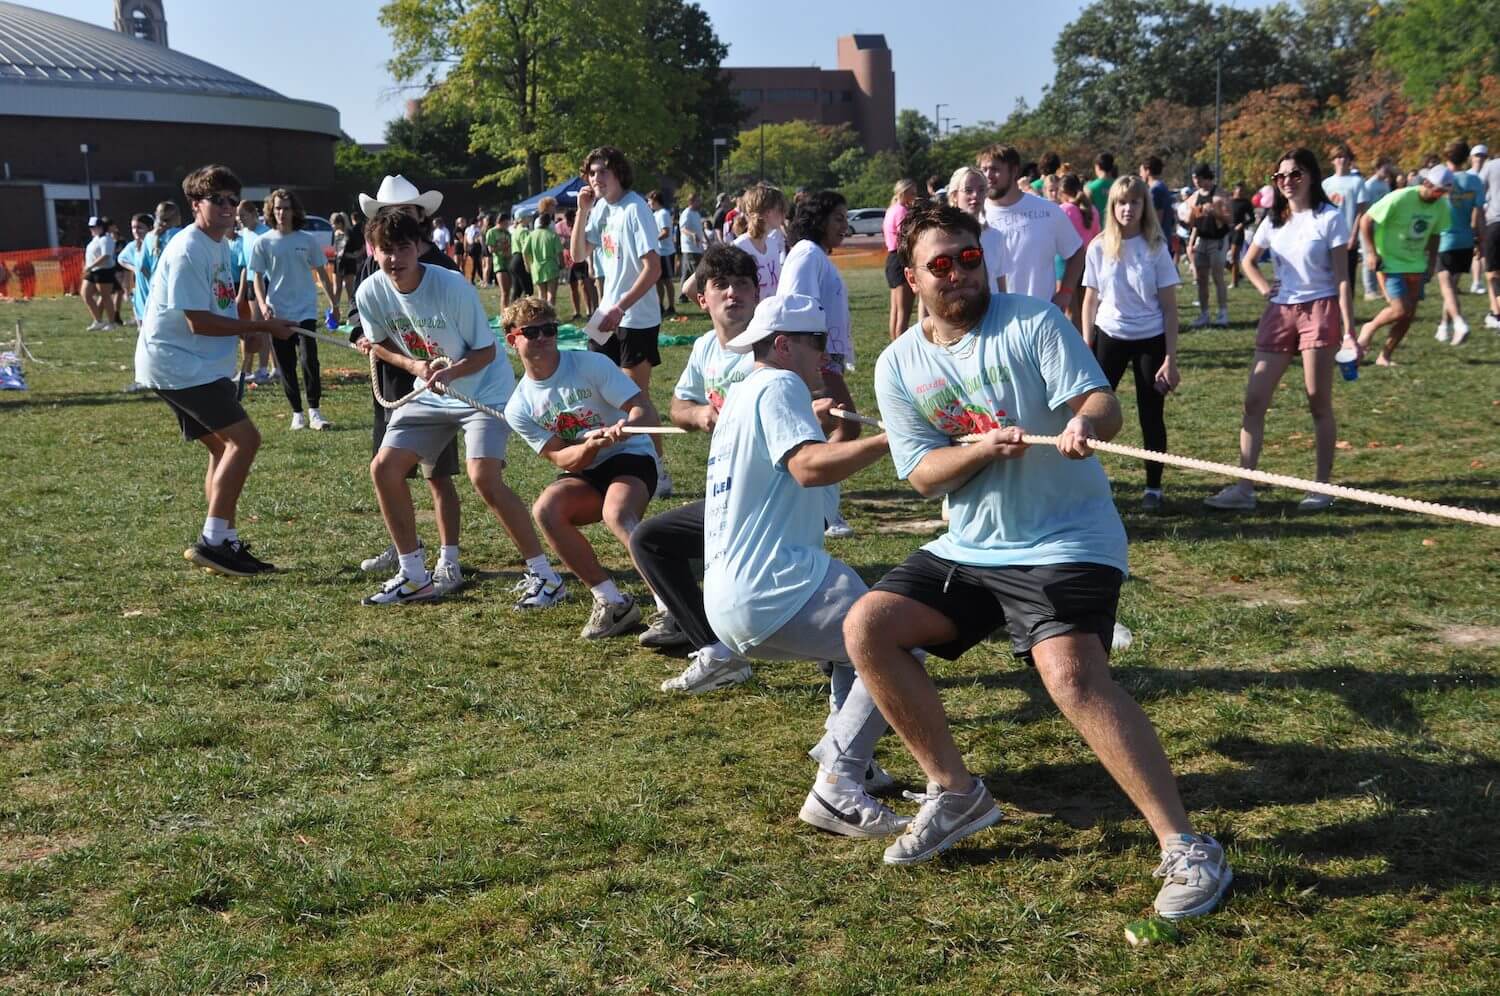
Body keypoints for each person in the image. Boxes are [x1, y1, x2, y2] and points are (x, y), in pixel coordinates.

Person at [843, 203, 1231, 921]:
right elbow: (923, 474)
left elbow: (1101, 402)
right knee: (869, 624)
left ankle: (1187, 846)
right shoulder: (898, 363)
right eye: (941, 264)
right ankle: (954, 793)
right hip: (969, 544)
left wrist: (1083, 421)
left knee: (1072, 676)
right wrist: (980, 451)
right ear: (909, 275)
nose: (960, 273)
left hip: (1067, 538)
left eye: (969, 258)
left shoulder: (1031, 321)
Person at [702, 292, 904, 837]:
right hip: (772, 587)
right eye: (821, 346)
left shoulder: (748, 392)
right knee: (891, 639)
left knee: (857, 634)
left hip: (729, 598)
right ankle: (837, 787)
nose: (827, 361)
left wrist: (811, 418)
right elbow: (809, 468)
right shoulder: (780, 385)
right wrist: (897, 439)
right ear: (786, 344)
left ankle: (850, 760)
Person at [355, 210, 562, 607]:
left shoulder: (452, 286)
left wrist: (451, 373)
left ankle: (546, 576)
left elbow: (486, 351)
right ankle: (414, 575)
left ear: (419, 248)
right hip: (429, 391)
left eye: (403, 248)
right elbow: (378, 343)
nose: (395, 258)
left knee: (483, 477)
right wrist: (415, 366)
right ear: (373, 251)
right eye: (386, 250)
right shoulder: (370, 292)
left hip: (483, 389)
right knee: (384, 468)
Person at [133, 164, 301, 576]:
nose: (228, 208)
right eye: (218, 200)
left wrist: (252, 323)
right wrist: (258, 327)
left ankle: (222, 539)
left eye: (233, 200)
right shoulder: (189, 248)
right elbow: (198, 321)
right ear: (196, 205)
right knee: (244, 441)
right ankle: (212, 540)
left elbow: (224, 303)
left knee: (221, 447)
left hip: (199, 365)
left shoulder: (220, 244)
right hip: (179, 365)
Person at [631, 243, 761, 687]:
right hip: (727, 493)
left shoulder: (776, 341)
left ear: (757, 293)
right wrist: (701, 414)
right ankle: (715, 650)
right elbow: (678, 405)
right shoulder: (706, 347)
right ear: (702, 298)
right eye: (721, 285)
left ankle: (843, 654)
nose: (733, 294)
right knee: (650, 540)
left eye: (743, 284)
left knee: (749, 585)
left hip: (775, 495)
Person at [504, 296, 662, 638]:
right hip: (586, 468)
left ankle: (670, 605)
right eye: (533, 332)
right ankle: (611, 602)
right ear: (512, 339)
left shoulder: (590, 365)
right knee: (546, 509)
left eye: (550, 329)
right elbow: (559, 457)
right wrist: (590, 446)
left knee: (616, 513)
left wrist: (626, 427)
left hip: (631, 454)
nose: (544, 337)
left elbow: (643, 409)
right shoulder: (518, 405)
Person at [1205, 148, 1352, 512]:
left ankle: (1321, 485)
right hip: (1279, 312)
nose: (1287, 181)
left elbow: (1344, 279)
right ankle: (1244, 487)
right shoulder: (1273, 221)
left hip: (1320, 308)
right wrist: (1261, 287)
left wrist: (1349, 331)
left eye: (1295, 174)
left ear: (1312, 176)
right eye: (1280, 176)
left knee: (1318, 400)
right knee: (1254, 400)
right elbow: (1248, 259)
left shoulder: (1330, 218)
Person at [349, 175, 469, 594]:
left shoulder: (440, 265)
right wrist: (361, 336)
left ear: (421, 218)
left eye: (405, 214)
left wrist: (438, 367)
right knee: (389, 470)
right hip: (392, 381)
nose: (395, 222)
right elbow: (357, 312)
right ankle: (406, 549)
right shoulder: (376, 260)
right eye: (386, 215)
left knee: (438, 475)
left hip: (438, 384)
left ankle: (449, 558)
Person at [569, 146, 672, 498]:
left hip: (636, 318)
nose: (596, 179)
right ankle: (613, 459)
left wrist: (622, 307)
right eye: (592, 173)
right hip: (607, 314)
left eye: (602, 172)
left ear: (619, 174)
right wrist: (582, 213)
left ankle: (658, 468)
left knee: (637, 398)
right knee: (597, 388)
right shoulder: (600, 208)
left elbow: (653, 269)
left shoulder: (634, 209)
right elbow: (579, 255)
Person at [1081, 177, 1180, 510]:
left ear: (1144, 207)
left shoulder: (1156, 247)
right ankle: (1085, 481)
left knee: (1151, 416)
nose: (1127, 208)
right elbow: (1090, 299)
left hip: (1150, 339)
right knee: (1090, 413)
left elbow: (1169, 306)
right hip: (1109, 336)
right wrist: (1087, 344)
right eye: (1122, 202)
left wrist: (1171, 358)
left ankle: (1153, 487)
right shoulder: (1098, 246)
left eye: (1134, 202)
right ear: (1112, 206)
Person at [779, 189, 861, 539]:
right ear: (819, 219)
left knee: (830, 427)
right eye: (838, 218)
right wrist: (815, 353)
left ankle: (816, 505)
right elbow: (796, 304)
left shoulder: (815, 255)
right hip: (815, 359)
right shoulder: (806, 253)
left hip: (825, 358)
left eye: (846, 218)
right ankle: (823, 510)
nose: (845, 226)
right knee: (845, 426)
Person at [249, 188, 339, 431]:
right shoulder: (263, 242)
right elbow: (256, 277)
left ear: (294, 211)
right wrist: (263, 303)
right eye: (277, 208)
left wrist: (334, 303)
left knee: (310, 360)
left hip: (306, 310)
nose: (282, 213)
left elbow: (322, 273)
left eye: (286, 208)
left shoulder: (306, 240)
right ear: (271, 211)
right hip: (279, 312)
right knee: (286, 364)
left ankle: (315, 411)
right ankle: (297, 413)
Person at [1356, 165, 1452, 366]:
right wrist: (1372, 253)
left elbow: (1435, 234)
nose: (1440, 195)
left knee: (1408, 315)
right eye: (1437, 190)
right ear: (1426, 183)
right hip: (1390, 262)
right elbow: (1366, 220)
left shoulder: (1441, 205)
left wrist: (1432, 261)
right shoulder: (1400, 197)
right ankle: (1369, 328)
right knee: (1400, 309)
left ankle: (1385, 356)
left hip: (1416, 264)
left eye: (1444, 192)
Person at [977, 144, 1084, 308]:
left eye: (995, 169)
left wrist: (1066, 293)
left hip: (1040, 318)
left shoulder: (1048, 211)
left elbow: (1076, 251)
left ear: (1014, 171)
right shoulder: (976, 217)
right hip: (993, 318)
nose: (988, 176)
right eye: (983, 170)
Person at [1434, 141, 1485, 345]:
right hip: (1465, 239)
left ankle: (1458, 322)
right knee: (1452, 288)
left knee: (1446, 286)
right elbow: (1478, 213)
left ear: (1446, 156)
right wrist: (1480, 240)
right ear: (1466, 158)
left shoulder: (1440, 180)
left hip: (1445, 238)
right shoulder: (1474, 181)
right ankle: (1443, 327)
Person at [946, 166, 1009, 292]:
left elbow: (1001, 284)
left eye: (981, 190)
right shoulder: (944, 237)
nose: (975, 195)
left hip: (993, 308)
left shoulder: (995, 236)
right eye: (968, 190)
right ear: (954, 196)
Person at [1186, 164, 1233, 327]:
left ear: (1207, 178)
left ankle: (1223, 313)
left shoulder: (1219, 195)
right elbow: (1193, 223)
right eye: (1194, 178)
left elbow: (1229, 220)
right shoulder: (1194, 197)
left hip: (1217, 240)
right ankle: (1204, 314)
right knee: (1201, 279)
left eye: (1198, 178)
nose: (1196, 182)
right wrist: (1191, 239)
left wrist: (1215, 212)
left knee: (1218, 277)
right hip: (1202, 240)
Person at [1058, 173, 1101, 328]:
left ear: (1061, 192)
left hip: (1065, 264)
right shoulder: (1093, 210)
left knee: (1070, 311)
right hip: (1087, 263)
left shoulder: (1063, 210)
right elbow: (1097, 236)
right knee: (1086, 310)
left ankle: (1074, 345)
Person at [883, 179, 920, 341]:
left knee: (896, 310)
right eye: (912, 193)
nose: (915, 197)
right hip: (900, 258)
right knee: (903, 312)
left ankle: (894, 344)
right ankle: (900, 348)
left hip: (892, 259)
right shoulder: (902, 211)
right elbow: (905, 237)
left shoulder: (891, 209)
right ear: (903, 193)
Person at [115, 212, 154, 327]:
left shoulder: (155, 245)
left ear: (150, 228)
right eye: (133, 228)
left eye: (139, 227)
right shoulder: (133, 246)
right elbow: (121, 259)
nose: (135, 231)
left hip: (154, 292)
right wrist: (135, 268)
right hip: (140, 294)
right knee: (142, 331)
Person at [82, 216, 118, 330]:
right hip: (92, 271)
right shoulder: (95, 239)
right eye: (91, 227)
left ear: (102, 227)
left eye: (95, 227)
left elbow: (106, 256)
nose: (92, 229)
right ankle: (98, 321)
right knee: (85, 294)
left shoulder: (106, 239)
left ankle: (112, 323)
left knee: (105, 297)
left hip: (104, 271)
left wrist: (91, 265)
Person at [647, 190, 678, 318]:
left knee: (667, 281)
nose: (648, 203)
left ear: (655, 200)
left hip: (666, 252)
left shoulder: (663, 213)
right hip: (658, 252)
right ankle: (660, 305)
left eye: (649, 200)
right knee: (658, 280)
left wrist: (653, 239)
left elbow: (665, 232)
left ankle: (671, 306)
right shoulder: (655, 214)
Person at [523, 212, 563, 307]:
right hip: (551, 267)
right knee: (551, 295)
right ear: (549, 223)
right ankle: (551, 317)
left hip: (536, 268)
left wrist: (527, 265)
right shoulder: (552, 235)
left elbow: (524, 251)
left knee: (541, 295)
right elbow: (559, 252)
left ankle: (543, 317)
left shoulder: (531, 235)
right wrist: (562, 264)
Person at [1482, 144, 1500, 329]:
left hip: (1496, 223)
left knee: (1493, 274)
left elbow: (1479, 193)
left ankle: (1497, 313)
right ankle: (1494, 312)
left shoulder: (1492, 166)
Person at [677, 192, 707, 302]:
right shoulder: (687, 213)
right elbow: (683, 228)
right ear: (692, 202)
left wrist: (706, 239)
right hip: (690, 248)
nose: (700, 203)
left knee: (687, 273)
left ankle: (682, 295)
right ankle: (700, 293)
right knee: (697, 271)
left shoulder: (696, 214)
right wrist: (692, 234)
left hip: (697, 247)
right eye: (698, 201)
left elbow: (700, 229)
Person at [1228, 183, 1256, 289]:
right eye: (1238, 190)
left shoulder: (1246, 203)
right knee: (1222, 259)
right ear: (1234, 190)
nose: (1240, 193)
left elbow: (1252, 218)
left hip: (1238, 231)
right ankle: (1238, 275)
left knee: (1234, 257)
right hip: (1227, 231)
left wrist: (1243, 224)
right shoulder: (1229, 201)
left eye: (1242, 191)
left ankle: (1234, 282)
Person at [486, 211, 513, 307]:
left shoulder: (507, 233)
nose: (507, 225)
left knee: (509, 291)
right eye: (506, 223)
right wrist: (503, 247)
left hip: (509, 262)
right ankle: (503, 315)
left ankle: (507, 313)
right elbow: (490, 249)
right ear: (500, 222)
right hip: (499, 264)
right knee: (504, 291)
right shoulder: (491, 232)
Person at [1086, 153, 1117, 217]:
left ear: (1097, 167)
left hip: (1097, 226)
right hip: (1115, 225)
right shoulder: (1119, 185)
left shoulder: (1089, 187)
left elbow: (1087, 211)